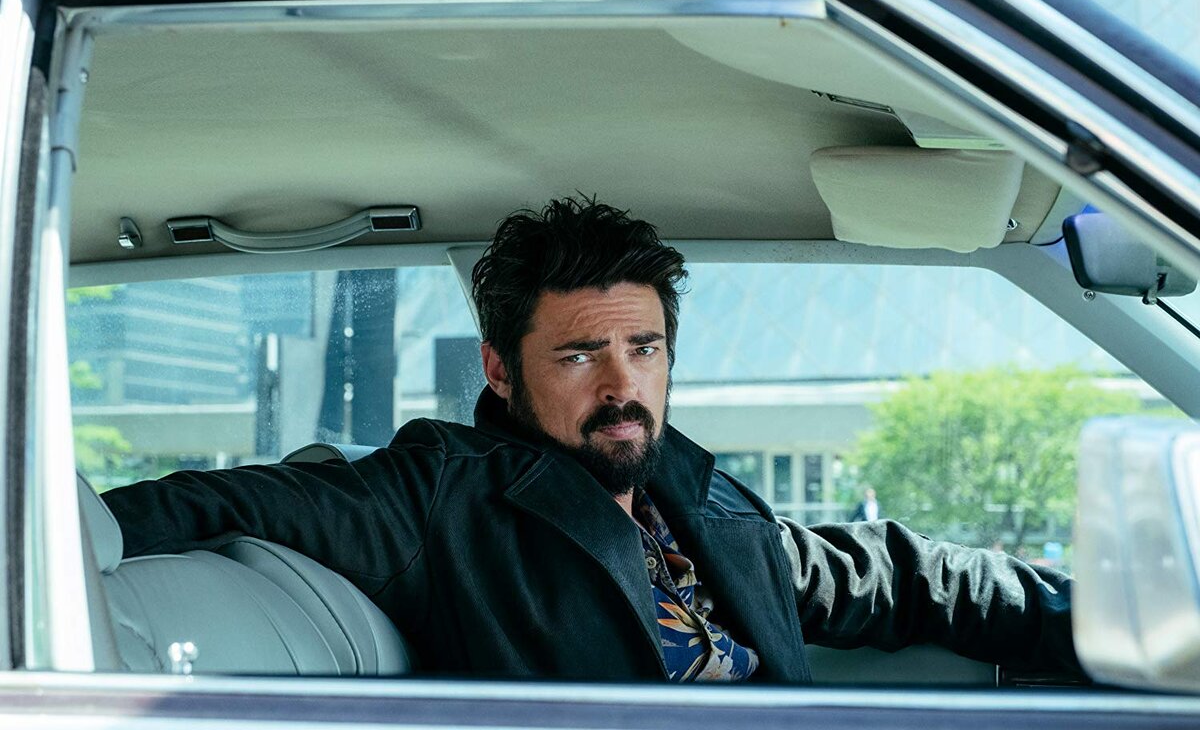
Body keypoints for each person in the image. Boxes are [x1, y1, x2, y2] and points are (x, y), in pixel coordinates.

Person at [102, 198, 1079, 683]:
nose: (622, 387)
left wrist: (1088, 617)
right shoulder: (444, 494)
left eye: (643, 349)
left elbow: (891, 574)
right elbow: (226, 498)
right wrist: (57, 549)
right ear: (499, 370)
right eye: (579, 355)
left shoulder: (696, 499)